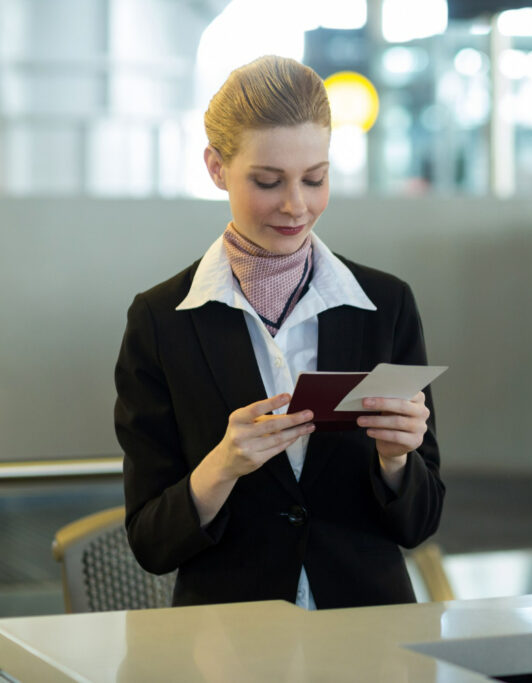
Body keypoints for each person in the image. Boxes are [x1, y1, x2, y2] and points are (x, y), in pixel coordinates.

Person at [114, 55, 444, 609]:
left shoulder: (386, 305)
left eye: (315, 179)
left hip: (368, 631)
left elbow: (421, 522)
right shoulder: (160, 321)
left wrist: (396, 461)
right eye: (269, 182)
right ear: (216, 168)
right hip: (226, 641)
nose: (297, 206)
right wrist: (223, 465)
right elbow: (151, 543)